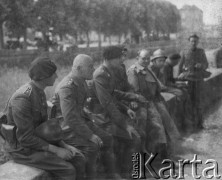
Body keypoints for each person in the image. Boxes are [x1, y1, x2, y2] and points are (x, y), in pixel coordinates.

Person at [2, 57, 84, 180]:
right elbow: (25, 138)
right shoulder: (22, 98)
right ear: (43, 77)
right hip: (22, 150)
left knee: (79, 158)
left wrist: (64, 146)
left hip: (36, 142)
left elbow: (46, 128)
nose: (56, 76)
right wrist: (57, 150)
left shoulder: (39, 92)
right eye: (53, 73)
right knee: (68, 170)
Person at [52, 54, 120, 179]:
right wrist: (90, 135)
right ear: (78, 68)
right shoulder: (67, 87)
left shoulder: (82, 81)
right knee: (91, 146)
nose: (93, 69)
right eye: (90, 67)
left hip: (80, 122)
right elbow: (70, 118)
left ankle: (111, 175)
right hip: (65, 128)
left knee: (107, 137)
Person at [93, 46, 142, 178]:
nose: (122, 59)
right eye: (118, 57)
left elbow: (112, 96)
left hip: (108, 117)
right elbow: (107, 103)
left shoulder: (110, 71)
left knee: (135, 134)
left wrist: (126, 109)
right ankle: (122, 174)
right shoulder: (100, 75)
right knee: (134, 138)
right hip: (101, 119)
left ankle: (126, 172)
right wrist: (125, 125)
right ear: (109, 59)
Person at [127, 49, 181, 161]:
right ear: (137, 58)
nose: (146, 61)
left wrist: (169, 93)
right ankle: (143, 161)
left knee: (163, 126)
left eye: (147, 58)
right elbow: (133, 91)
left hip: (151, 103)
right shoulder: (133, 71)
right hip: (140, 104)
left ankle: (164, 158)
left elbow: (159, 87)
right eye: (143, 58)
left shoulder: (149, 71)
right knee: (147, 130)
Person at [178, 34, 208, 130]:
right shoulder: (184, 52)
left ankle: (199, 124)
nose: (194, 43)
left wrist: (202, 65)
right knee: (188, 102)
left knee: (198, 102)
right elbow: (180, 66)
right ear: (189, 41)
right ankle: (189, 125)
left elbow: (206, 64)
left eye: (195, 41)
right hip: (188, 80)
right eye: (192, 41)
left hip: (199, 80)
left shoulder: (201, 51)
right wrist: (179, 78)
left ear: (198, 42)